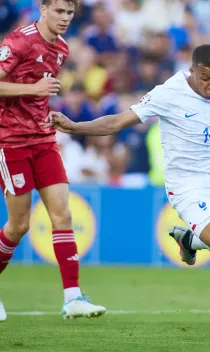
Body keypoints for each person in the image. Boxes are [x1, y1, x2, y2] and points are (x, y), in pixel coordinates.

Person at [43, 44, 210, 339]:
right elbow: (118, 121)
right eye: (206, 78)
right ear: (193, 71)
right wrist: (74, 126)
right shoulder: (168, 93)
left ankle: (192, 241)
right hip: (188, 187)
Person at [0, 0, 105, 321]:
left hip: (44, 140)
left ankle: (73, 297)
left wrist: (49, 113)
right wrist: (33, 87)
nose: (65, 19)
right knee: (19, 226)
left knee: (63, 214)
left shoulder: (61, 48)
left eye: (70, 13)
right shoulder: (17, 41)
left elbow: (38, 97)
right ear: (43, 9)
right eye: (59, 11)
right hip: (11, 142)